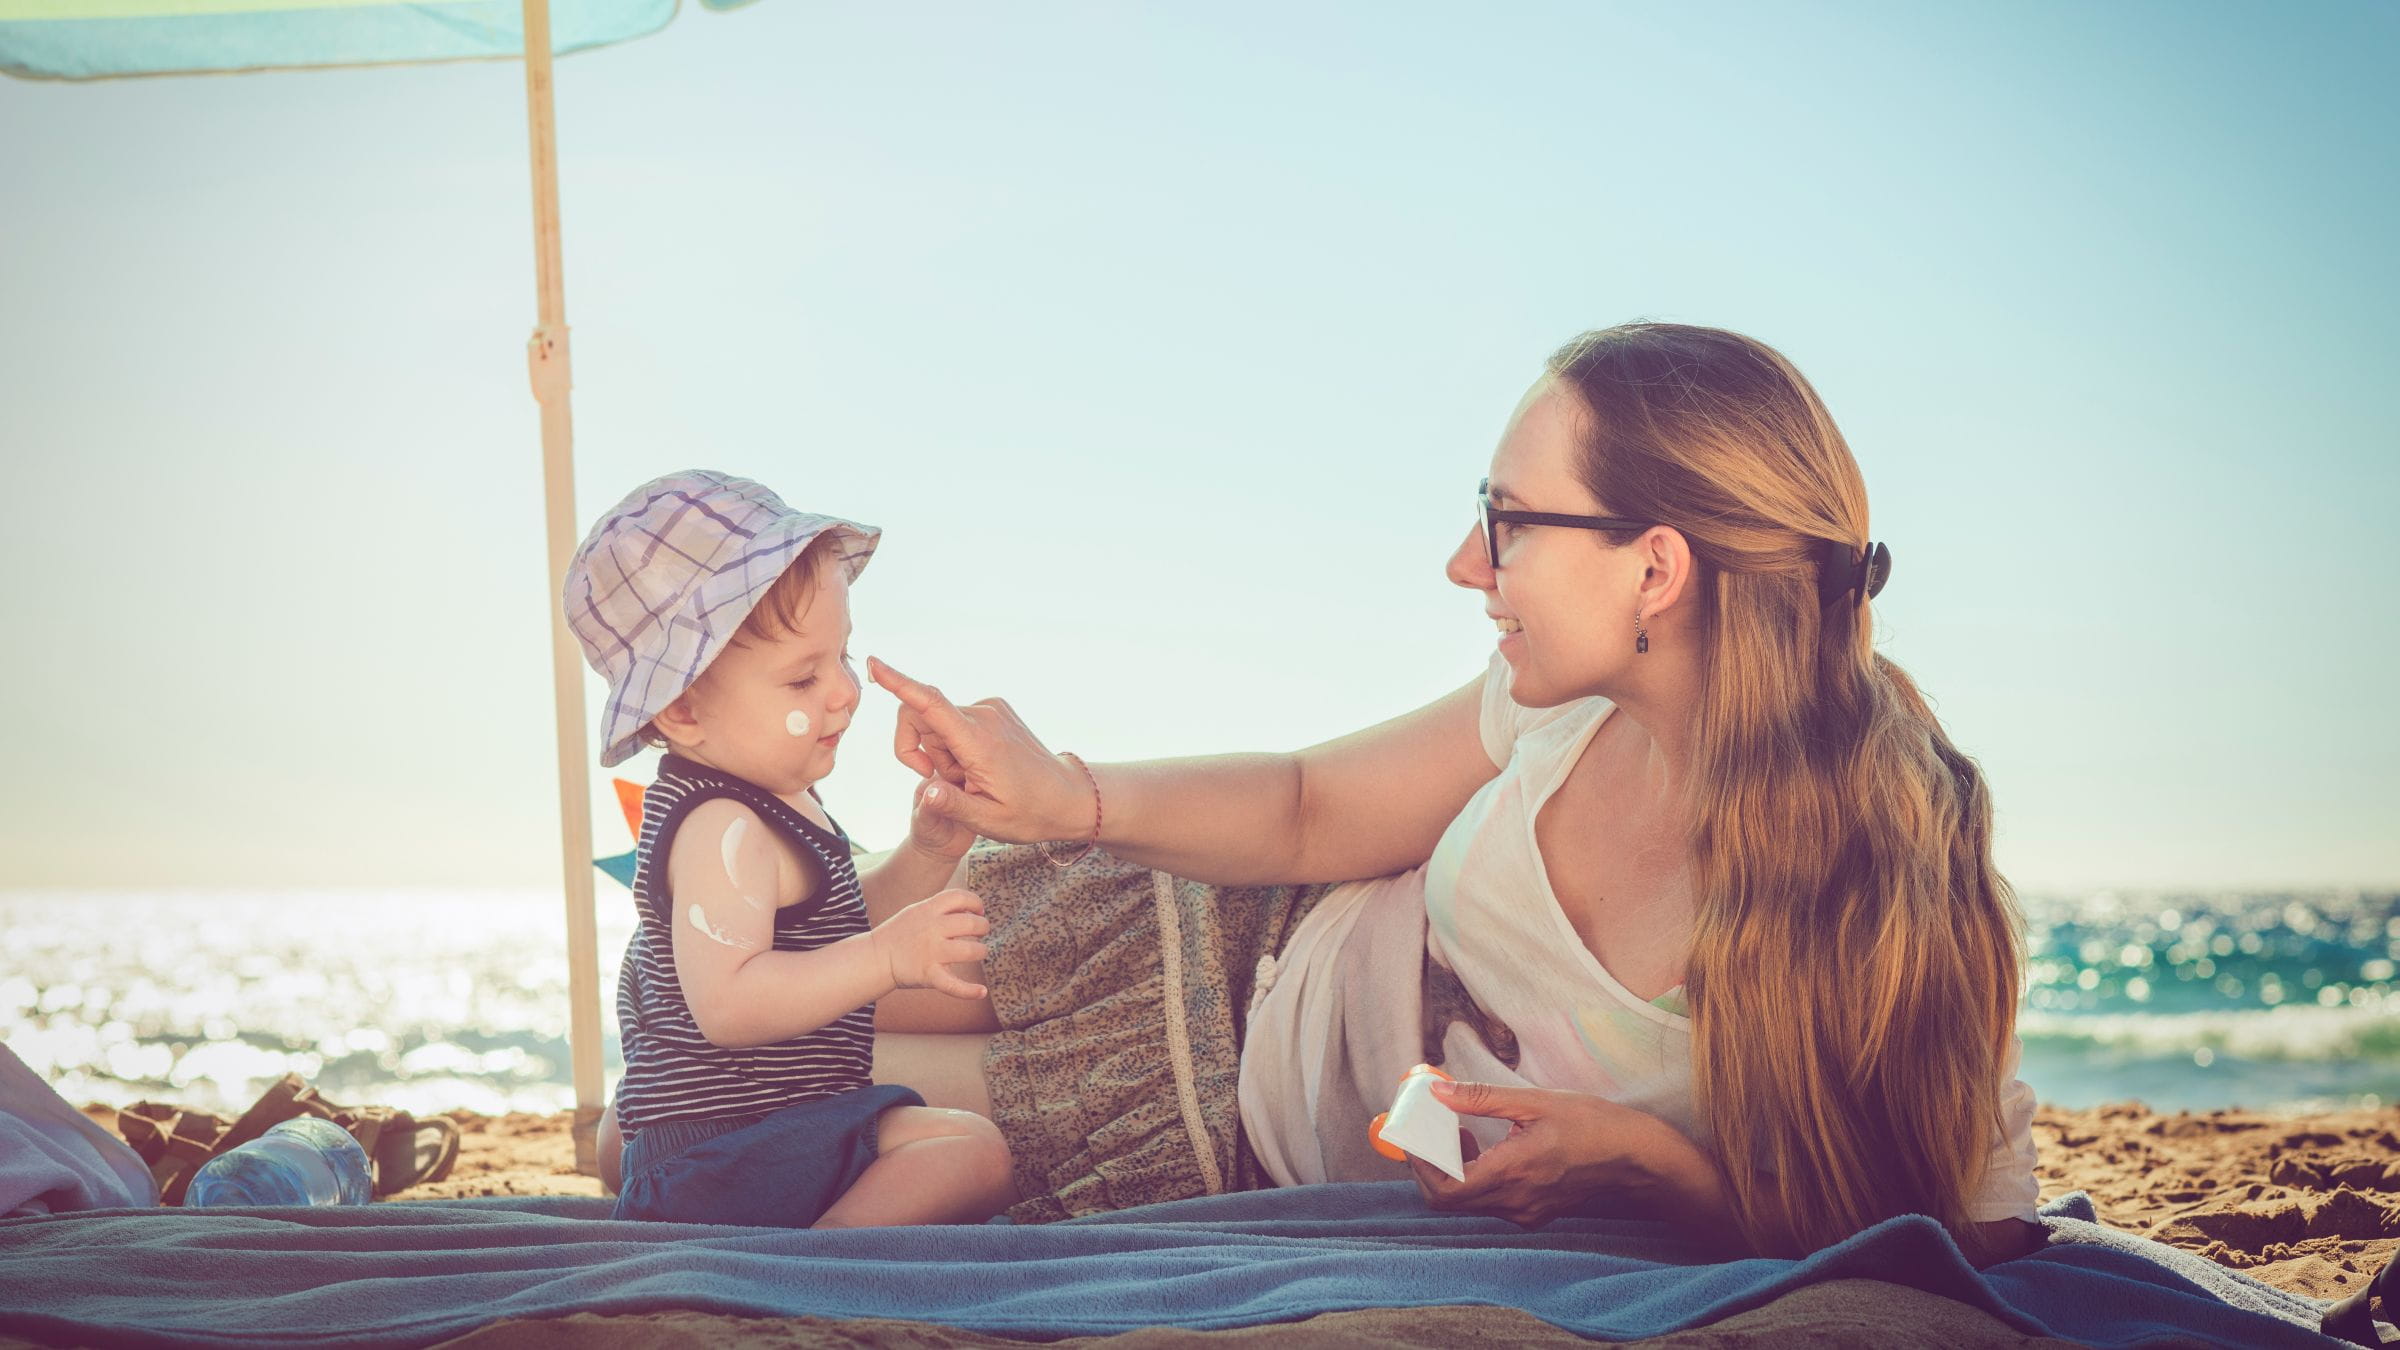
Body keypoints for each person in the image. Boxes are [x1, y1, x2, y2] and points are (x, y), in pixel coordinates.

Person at [859, 322, 2046, 1264]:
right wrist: (1067, 797)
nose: (1466, 564)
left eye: (1510, 520)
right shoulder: (1555, 702)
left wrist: (1652, 1167)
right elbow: (1310, 806)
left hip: (1197, 1120)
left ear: (1657, 568)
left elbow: (1963, 1231)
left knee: (798, 1084)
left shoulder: (1892, 875)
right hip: (1206, 941)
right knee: (745, 1010)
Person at [563, 471, 1015, 1229]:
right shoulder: (721, 827)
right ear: (680, 707)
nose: (842, 692)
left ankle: (812, 1244)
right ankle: (810, 1262)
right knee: (971, 1152)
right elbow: (731, 1005)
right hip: (724, 1151)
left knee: (959, 1149)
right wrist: (885, 960)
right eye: (802, 676)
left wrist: (926, 852)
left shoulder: (776, 800)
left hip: (779, 1132)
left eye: (840, 656)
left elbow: (829, 927)